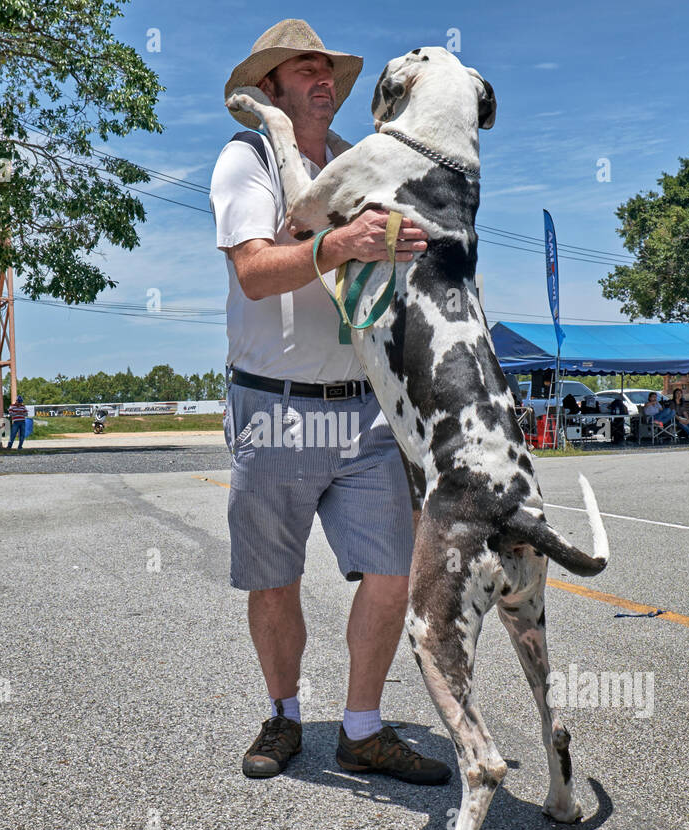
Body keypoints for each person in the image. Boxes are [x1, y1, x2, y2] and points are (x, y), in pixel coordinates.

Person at [211, 19, 449, 782]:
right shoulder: (246, 158)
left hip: (365, 406)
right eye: (303, 69)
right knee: (273, 579)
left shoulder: (356, 166)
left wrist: (407, 248)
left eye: (329, 71)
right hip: (273, 404)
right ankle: (283, 716)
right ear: (271, 88)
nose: (323, 80)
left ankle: (360, 729)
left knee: (393, 572)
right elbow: (254, 271)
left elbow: (392, 278)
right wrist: (339, 246)